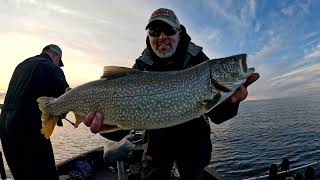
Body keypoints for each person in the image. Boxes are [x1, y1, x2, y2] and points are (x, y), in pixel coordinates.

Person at [84, 8, 260, 180]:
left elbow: (216, 115)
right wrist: (104, 127)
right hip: (156, 149)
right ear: (149, 36)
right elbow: (125, 124)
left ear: (179, 32)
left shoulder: (199, 61)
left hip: (194, 147)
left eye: (168, 30)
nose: (162, 37)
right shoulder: (141, 67)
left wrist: (231, 102)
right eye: (154, 31)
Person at [0, 44, 69, 179]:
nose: (58, 64)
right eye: (58, 62)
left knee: (21, 174)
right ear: (56, 56)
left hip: (4, 126)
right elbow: (64, 99)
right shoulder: (52, 67)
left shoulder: (21, 65)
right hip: (28, 126)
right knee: (45, 174)